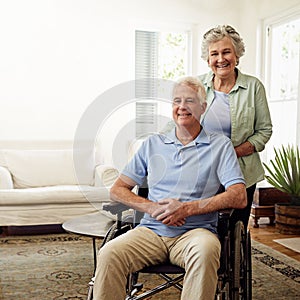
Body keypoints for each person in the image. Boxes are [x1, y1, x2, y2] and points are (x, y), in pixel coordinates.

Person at [93, 77, 247, 300]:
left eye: (190, 101)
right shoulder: (152, 144)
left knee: (206, 252)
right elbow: (117, 189)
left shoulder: (220, 145)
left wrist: (186, 209)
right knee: (109, 253)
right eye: (177, 101)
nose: (182, 107)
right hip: (151, 231)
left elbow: (238, 196)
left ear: (203, 108)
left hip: (196, 233)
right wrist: (152, 208)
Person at [199, 25, 272, 230]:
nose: (221, 59)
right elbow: (178, 122)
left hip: (242, 172)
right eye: (215, 53)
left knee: (233, 228)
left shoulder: (253, 86)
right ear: (208, 60)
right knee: (203, 224)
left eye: (226, 52)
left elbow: (264, 131)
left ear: (237, 55)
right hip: (203, 171)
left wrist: (231, 153)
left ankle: (230, 260)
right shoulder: (197, 86)